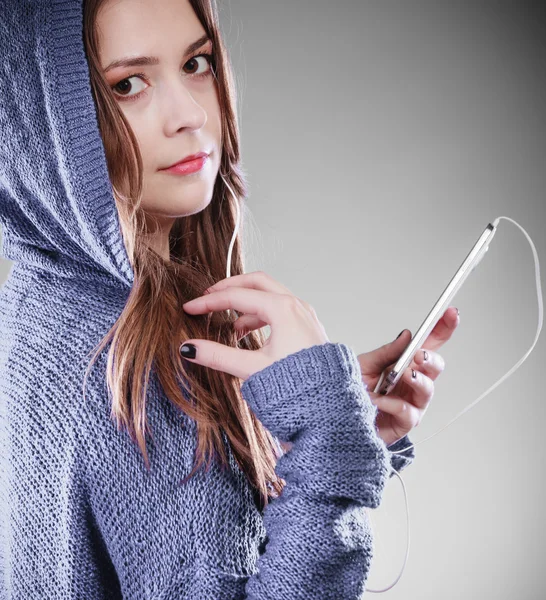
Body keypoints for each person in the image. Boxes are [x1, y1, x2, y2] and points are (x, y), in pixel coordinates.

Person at [0, 0, 457, 597]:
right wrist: (325, 452)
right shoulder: (126, 364)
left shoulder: (40, 305)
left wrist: (325, 435)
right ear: (47, 119)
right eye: (128, 85)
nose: (191, 113)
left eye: (197, 63)